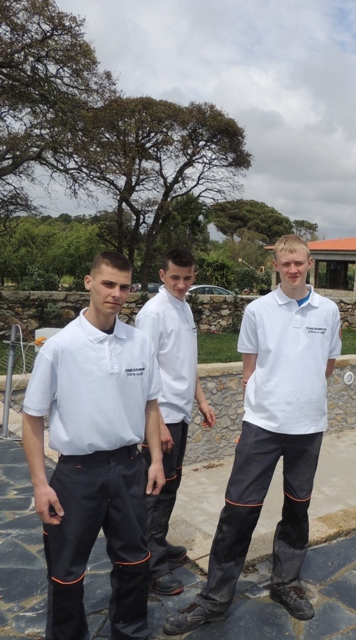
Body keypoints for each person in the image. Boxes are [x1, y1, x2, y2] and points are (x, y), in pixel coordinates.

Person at [164, 234, 342, 635]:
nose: (293, 269)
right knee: (238, 510)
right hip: (262, 426)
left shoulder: (329, 311)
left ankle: (286, 582)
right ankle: (215, 598)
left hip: (308, 426)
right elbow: (250, 368)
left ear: (309, 263)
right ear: (275, 265)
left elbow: (327, 366)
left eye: (299, 262)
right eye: (285, 263)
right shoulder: (257, 310)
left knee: (297, 507)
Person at [21, 251, 165, 640]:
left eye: (124, 287)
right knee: (66, 571)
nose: (116, 294)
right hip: (77, 474)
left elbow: (151, 404)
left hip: (129, 468)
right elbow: (32, 419)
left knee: (134, 561)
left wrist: (154, 459)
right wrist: (40, 484)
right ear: (89, 282)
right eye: (108, 284)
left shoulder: (139, 343)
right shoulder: (60, 347)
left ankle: (131, 632)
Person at [135, 249, 217, 596]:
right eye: (175, 278)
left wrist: (201, 401)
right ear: (162, 275)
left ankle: (159, 544)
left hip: (179, 414)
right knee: (155, 492)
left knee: (170, 486)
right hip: (162, 417)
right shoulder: (153, 314)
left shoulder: (184, 307)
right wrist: (157, 425)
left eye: (187, 278)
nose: (181, 284)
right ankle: (150, 567)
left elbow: (186, 363)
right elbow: (143, 370)